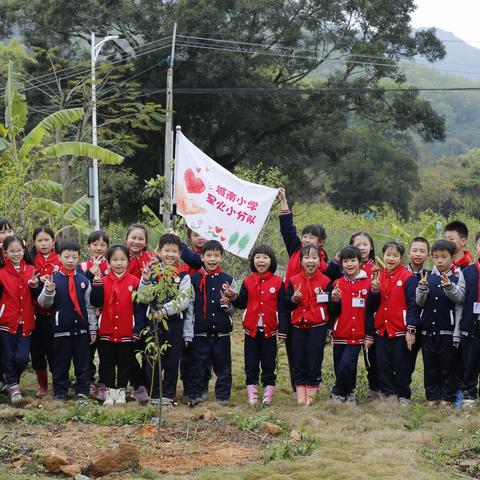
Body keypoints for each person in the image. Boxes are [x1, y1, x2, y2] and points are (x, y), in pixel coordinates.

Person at [277, 187, 328, 393]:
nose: (306, 239)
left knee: (313, 353)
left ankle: (312, 385)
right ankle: (298, 387)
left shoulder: (326, 264)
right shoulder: (296, 251)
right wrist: (283, 201)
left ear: (320, 242)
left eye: (311, 237)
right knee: (294, 350)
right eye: (305, 236)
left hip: (316, 317)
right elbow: (287, 229)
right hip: (292, 310)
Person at [224, 245, 287, 406]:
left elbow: (282, 308)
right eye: (258, 257)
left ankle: (267, 393)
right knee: (250, 363)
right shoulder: (248, 280)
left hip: (270, 331)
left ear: (271, 261)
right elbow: (242, 302)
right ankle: (252, 394)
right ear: (253, 260)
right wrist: (233, 296)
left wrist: (283, 331)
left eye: (265, 257)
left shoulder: (278, 282)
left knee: (268, 363)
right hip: (251, 330)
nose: (261, 260)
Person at [37, 240, 97, 401]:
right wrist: (49, 291)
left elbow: (89, 306)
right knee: (60, 363)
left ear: (79, 258)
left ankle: (82, 390)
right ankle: (60, 391)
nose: (71, 260)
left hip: (81, 331)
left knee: (82, 363)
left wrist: (92, 328)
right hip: (60, 330)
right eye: (67, 256)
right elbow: (43, 303)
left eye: (74, 257)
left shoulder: (83, 280)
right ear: (59, 257)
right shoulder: (53, 279)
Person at [139, 234, 192, 406]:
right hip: (153, 322)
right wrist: (145, 280)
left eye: (174, 251)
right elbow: (143, 297)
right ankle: (154, 394)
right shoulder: (151, 272)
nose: (170, 254)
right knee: (152, 358)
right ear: (158, 251)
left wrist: (163, 310)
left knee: (172, 359)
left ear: (179, 253)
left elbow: (183, 301)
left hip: (174, 323)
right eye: (166, 250)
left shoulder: (183, 275)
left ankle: (168, 394)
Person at [90, 244, 145, 406]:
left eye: (123, 259)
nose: (119, 263)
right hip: (106, 330)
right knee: (106, 362)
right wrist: (97, 285)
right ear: (108, 262)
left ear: (128, 261)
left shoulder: (134, 282)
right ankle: (109, 391)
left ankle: (121, 391)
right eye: (115, 259)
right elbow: (95, 303)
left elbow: (139, 309)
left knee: (124, 363)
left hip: (126, 331)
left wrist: (137, 329)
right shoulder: (102, 281)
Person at [184, 240, 236, 406]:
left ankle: (223, 397)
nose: (212, 259)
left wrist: (226, 304)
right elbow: (190, 306)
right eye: (209, 255)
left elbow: (234, 308)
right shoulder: (194, 279)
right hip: (200, 331)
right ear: (202, 257)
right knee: (197, 366)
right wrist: (189, 330)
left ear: (222, 257)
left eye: (216, 255)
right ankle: (195, 395)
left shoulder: (227, 279)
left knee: (223, 367)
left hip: (221, 332)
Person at [368, 241, 420, 405]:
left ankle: (403, 395)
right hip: (382, 329)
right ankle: (388, 395)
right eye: (388, 255)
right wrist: (374, 290)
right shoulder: (379, 276)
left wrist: (411, 329)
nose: (391, 258)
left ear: (401, 257)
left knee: (402, 365)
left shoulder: (408, 277)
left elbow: (413, 305)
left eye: (395, 255)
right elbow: (372, 305)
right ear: (383, 256)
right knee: (383, 365)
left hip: (400, 330)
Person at [415, 240, 464, 406]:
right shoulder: (427, 277)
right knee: (430, 365)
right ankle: (431, 397)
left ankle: (446, 398)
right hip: (428, 331)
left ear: (452, 257)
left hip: (447, 332)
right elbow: (419, 302)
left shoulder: (456, 278)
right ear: (431, 258)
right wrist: (422, 288)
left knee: (447, 366)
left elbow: (460, 299)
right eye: (436, 257)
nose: (440, 261)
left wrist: (449, 286)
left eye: (444, 257)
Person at [285, 245, 333, 405]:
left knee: (314, 361)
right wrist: (294, 299)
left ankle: (310, 398)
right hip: (297, 327)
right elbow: (286, 305)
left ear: (320, 262)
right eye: (307, 257)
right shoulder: (293, 281)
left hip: (317, 328)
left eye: (314, 258)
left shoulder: (326, 282)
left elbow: (331, 308)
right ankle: (300, 397)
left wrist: (329, 330)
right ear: (300, 261)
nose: (310, 261)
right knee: (298, 362)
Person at [329, 246, 374, 405]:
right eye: (345, 261)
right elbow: (333, 311)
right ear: (341, 263)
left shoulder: (368, 283)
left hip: (358, 333)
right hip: (341, 332)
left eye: (352, 260)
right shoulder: (337, 283)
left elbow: (371, 310)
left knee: (347, 363)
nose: (349, 264)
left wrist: (369, 334)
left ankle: (337, 391)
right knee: (341, 365)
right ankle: (349, 392)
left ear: (360, 262)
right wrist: (334, 299)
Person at [0, 235, 40, 404]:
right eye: (12, 251)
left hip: (27, 321)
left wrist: (35, 286)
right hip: (6, 321)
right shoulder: (1, 272)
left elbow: (38, 297)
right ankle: (13, 386)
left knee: (23, 358)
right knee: (7, 356)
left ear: (24, 251)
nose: (16, 254)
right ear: (5, 252)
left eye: (19, 251)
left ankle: (9, 380)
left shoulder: (32, 270)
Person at [78, 230, 110, 402]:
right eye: (95, 244)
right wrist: (91, 273)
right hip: (88, 316)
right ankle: (89, 380)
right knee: (87, 351)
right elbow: (79, 286)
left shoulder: (112, 266)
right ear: (88, 246)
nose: (99, 248)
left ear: (108, 247)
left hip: (107, 315)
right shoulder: (81, 267)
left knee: (105, 350)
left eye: (103, 245)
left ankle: (103, 382)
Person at [30, 227, 61, 397]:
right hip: (35, 313)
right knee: (37, 351)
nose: (43, 244)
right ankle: (42, 385)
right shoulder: (30, 260)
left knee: (54, 351)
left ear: (53, 241)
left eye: (46, 240)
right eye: (40, 240)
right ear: (34, 242)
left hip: (54, 314)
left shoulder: (60, 259)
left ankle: (58, 382)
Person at [445, 221, 472, 407]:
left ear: (463, 241)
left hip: (463, 322)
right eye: (445, 239)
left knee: (464, 360)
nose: (447, 242)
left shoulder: (470, 268)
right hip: (443, 322)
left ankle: (462, 394)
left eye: (451, 239)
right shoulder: (443, 263)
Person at [125, 224, 151, 402]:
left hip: (146, 310)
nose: (136, 241)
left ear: (146, 242)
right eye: (133, 237)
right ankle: (137, 383)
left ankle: (147, 384)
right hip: (125, 308)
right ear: (126, 239)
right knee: (127, 348)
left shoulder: (151, 259)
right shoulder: (118, 256)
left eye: (141, 238)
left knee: (147, 348)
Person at [458, 231, 480, 407]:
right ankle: (469, 393)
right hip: (471, 323)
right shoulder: (467, 272)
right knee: (470, 359)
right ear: (476, 247)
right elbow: (459, 298)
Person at [406, 237, 431, 376]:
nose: (418, 254)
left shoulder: (431, 275)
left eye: (422, 251)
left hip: (426, 324)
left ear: (428, 255)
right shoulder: (402, 273)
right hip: (407, 323)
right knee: (406, 359)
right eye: (414, 250)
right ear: (409, 253)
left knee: (429, 360)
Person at [0, 218, 14, 392]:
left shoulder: (16, 249)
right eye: (2, 231)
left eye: (9, 231)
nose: (6, 234)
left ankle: (8, 380)